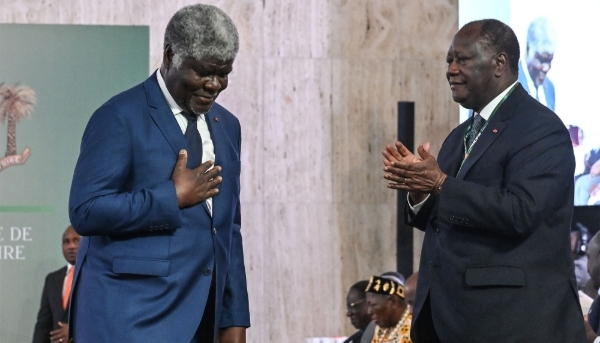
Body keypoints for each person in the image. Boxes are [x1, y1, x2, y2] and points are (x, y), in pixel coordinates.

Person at [382, 19, 585, 342]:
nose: (450, 69)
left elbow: (521, 211)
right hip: (451, 319)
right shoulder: (459, 136)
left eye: (462, 59)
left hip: (511, 322)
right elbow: (444, 218)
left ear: (499, 64)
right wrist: (421, 192)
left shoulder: (540, 128)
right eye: (449, 60)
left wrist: (441, 185)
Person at [68, 4, 248, 343]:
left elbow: (228, 230)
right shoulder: (119, 116)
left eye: (223, 73)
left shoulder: (228, 126)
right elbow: (85, 210)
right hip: (129, 321)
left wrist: (233, 320)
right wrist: (172, 197)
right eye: (203, 72)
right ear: (169, 55)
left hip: (202, 325)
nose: (214, 84)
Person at [32, 226, 80, 343]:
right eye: (66, 242)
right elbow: (43, 324)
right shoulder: (52, 279)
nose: (71, 246)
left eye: (76, 241)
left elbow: (105, 318)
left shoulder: (97, 277)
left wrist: (75, 331)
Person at [517, 17, 557, 111]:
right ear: (528, 48)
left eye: (549, 61)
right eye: (542, 60)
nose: (546, 68)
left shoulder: (549, 88)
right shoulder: (508, 85)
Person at [365, 275, 412, 343]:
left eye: (373, 305)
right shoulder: (382, 327)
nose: (369, 311)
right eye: (368, 305)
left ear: (393, 301)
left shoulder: (415, 328)